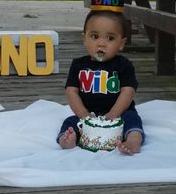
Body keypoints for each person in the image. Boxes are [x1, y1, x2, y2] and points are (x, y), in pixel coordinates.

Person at [57, 10, 145, 155]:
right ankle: (66, 140)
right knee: (70, 122)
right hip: (88, 113)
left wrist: (114, 113)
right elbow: (71, 91)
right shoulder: (78, 65)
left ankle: (133, 139)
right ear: (85, 38)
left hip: (119, 113)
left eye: (110, 38)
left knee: (132, 119)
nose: (101, 43)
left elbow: (128, 91)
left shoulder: (124, 65)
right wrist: (83, 114)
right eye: (95, 36)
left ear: (121, 43)